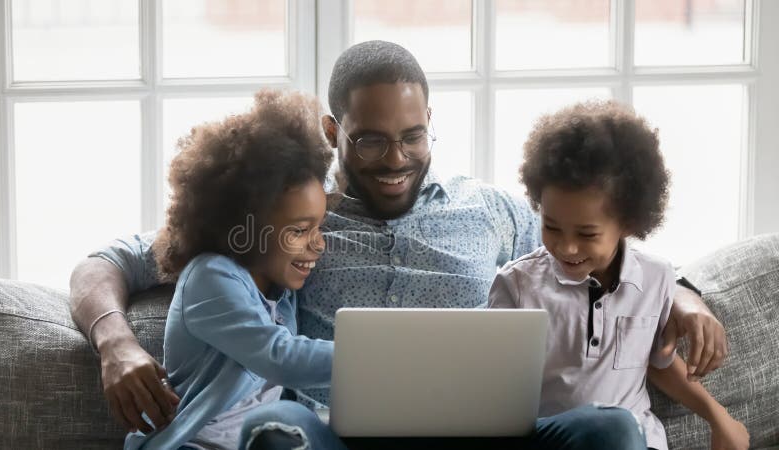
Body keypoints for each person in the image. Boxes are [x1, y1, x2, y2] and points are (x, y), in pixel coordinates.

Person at [69, 41, 728, 449]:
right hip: (341, 438)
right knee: (273, 434)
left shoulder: (489, 211)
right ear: (333, 129)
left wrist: (684, 296)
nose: (397, 158)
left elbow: (601, 249)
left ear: (431, 122)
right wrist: (116, 342)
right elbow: (109, 262)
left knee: (611, 430)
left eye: (413, 135)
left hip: (487, 436)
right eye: (373, 138)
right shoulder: (283, 222)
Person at [489, 100, 749, 450]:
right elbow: (491, 391)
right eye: (552, 227)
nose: (566, 248)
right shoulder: (517, 285)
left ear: (628, 223)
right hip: (556, 438)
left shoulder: (657, 277)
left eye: (586, 234)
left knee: (620, 427)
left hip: (635, 439)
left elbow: (657, 364)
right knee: (609, 425)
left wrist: (719, 418)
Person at [122, 89, 349, 449]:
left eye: (318, 227)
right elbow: (279, 356)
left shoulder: (282, 292)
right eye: (300, 230)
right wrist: (370, 354)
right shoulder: (211, 276)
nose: (318, 243)